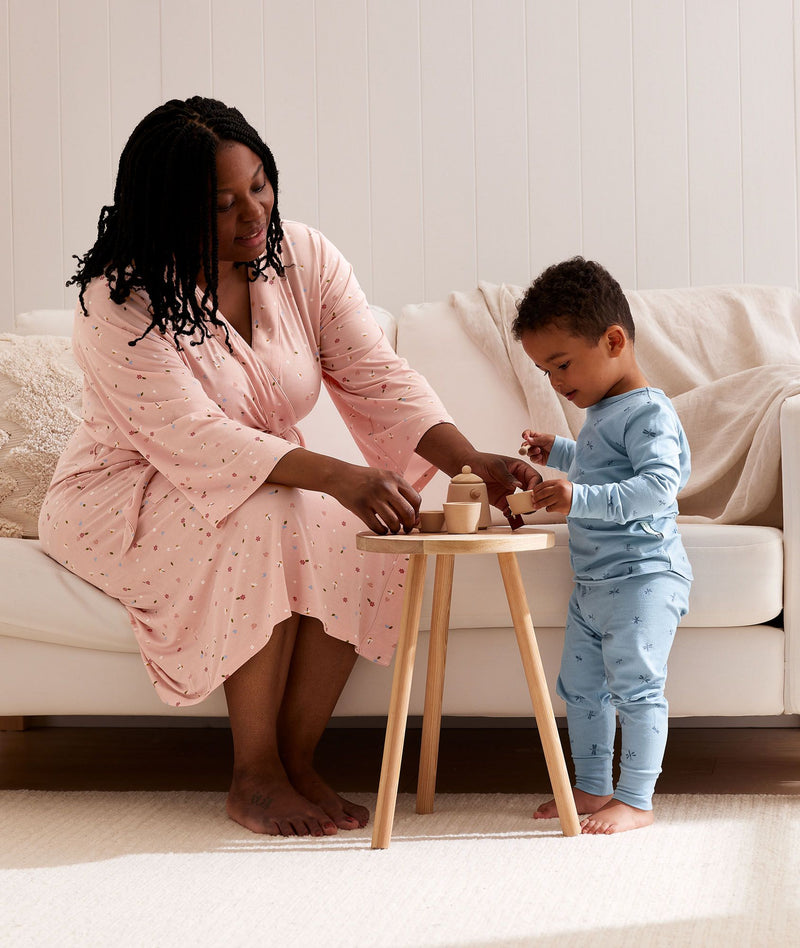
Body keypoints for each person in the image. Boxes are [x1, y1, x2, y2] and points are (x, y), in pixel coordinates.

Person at [38, 96, 538, 838]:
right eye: (223, 203)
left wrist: (472, 463)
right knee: (277, 509)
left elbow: (375, 374)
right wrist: (337, 474)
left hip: (257, 475)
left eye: (261, 185)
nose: (253, 214)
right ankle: (255, 775)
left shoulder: (300, 257)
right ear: (171, 209)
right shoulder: (118, 301)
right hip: (124, 493)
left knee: (365, 519)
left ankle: (299, 760)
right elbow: (194, 436)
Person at [512, 257, 693, 835]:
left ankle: (637, 798)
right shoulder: (602, 413)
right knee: (583, 688)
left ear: (613, 341)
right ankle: (591, 788)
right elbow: (602, 464)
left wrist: (578, 498)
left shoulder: (649, 412)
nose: (557, 382)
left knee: (637, 687)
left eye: (562, 364)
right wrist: (562, 452)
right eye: (545, 371)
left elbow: (659, 487)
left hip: (643, 576)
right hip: (594, 584)